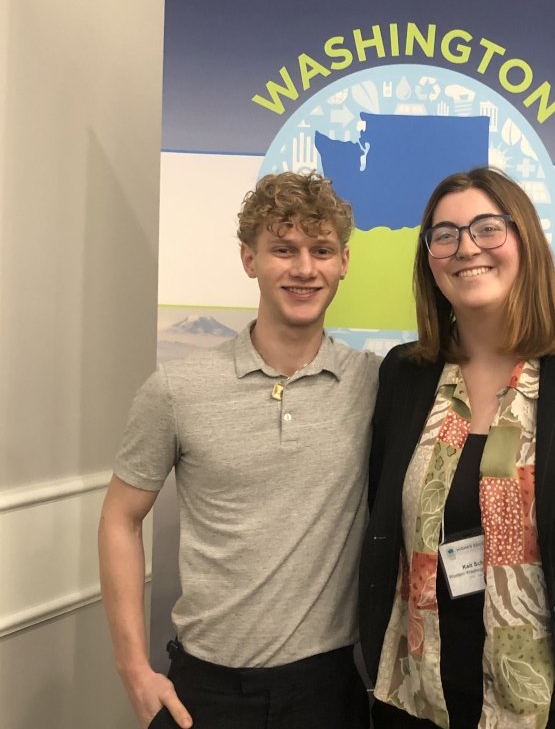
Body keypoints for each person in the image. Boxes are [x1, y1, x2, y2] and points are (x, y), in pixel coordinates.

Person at [359, 167, 555, 729]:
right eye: (444, 235)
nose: (466, 246)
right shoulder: (406, 374)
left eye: (487, 228)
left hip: (551, 709)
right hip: (415, 700)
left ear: (525, 241)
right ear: (429, 259)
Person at [98, 171, 376, 729]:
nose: (303, 268)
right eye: (283, 249)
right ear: (249, 259)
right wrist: (132, 666)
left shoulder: (376, 384)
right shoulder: (177, 389)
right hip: (207, 691)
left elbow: (480, 361)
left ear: (344, 261)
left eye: (321, 250)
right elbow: (119, 520)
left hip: (329, 691)